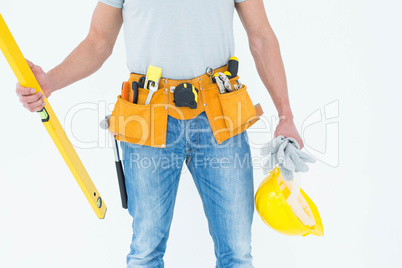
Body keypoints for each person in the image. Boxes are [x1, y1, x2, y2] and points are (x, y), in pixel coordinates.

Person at [15, 0, 304, 267]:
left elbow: (261, 37)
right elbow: (98, 42)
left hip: (219, 114)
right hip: (148, 117)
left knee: (238, 252)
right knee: (146, 250)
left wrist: (286, 116)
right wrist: (50, 81)